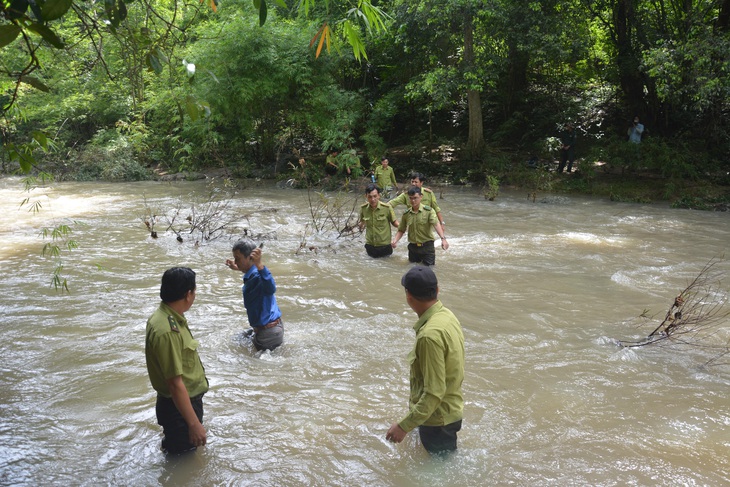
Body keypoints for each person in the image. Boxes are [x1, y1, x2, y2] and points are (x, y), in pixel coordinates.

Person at [386, 266, 465, 455]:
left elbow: (434, 392)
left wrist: (404, 426)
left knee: (442, 473)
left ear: (408, 296)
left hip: (437, 421)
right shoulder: (447, 315)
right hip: (448, 412)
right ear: (437, 290)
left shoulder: (429, 336)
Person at [145, 267, 209, 454]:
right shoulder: (168, 330)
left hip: (177, 407)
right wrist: (194, 423)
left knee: (178, 456)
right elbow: (174, 384)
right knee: (183, 460)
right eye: (194, 291)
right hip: (180, 410)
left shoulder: (165, 318)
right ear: (188, 294)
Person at [226, 239, 284, 351]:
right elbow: (251, 272)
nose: (235, 261)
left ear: (250, 258)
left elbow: (271, 288)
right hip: (270, 328)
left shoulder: (259, 275)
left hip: (268, 334)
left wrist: (260, 265)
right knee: (237, 339)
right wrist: (238, 268)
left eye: (238, 258)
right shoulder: (253, 273)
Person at [391, 186, 448, 266]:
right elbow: (401, 230)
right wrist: (395, 241)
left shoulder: (429, 211)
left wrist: (443, 239)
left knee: (429, 271)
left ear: (421, 197)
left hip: (427, 247)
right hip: (413, 247)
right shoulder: (406, 214)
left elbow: (436, 224)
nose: (413, 201)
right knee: (412, 271)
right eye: (411, 198)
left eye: (415, 198)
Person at [359, 183, 399, 258]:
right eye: (370, 197)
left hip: (385, 246)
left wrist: (397, 238)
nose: (373, 199)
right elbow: (362, 222)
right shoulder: (363, 209)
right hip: (370, 246)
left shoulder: (387, 208)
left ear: (379, 196)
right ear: (366, 196)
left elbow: (395, 223)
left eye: (375, 196)